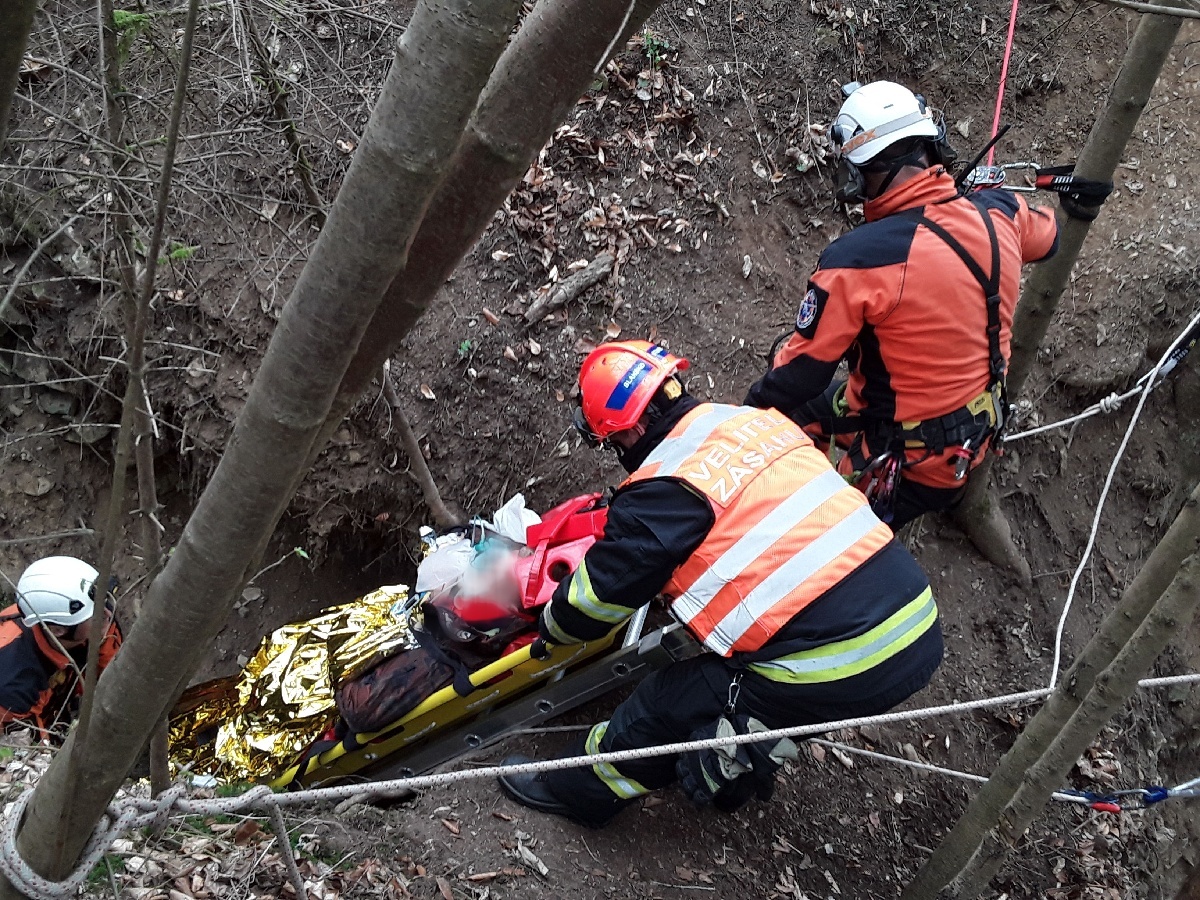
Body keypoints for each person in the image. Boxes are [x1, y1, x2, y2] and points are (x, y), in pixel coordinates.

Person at [497, 340, 942, 827]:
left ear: (635, 429)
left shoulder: (664, 489)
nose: (618, 453)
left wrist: (551, 629)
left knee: (668, 702)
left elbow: (595, 600)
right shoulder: (752, 422)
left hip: (843, 655)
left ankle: (578, 790)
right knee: (746, 701)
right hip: (913, 618)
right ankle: (754, 737)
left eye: (613, 443)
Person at [744, 80, 1060, 529]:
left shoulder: (858, 260)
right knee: (815, 410)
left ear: (863, 172)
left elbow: (797, 376)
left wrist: (739, 422)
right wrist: (973, 200)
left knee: (814, 523)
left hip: (903, 462)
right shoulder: (1002, 214)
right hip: (974, 438)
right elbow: (1050, 237)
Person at [0, 556, 123, 738]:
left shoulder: (94, 625)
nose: (107, 614)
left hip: (57, 705)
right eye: (95, 613)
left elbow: (117, 679)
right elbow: (30, 753)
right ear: (58, 630)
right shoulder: (14, 685)